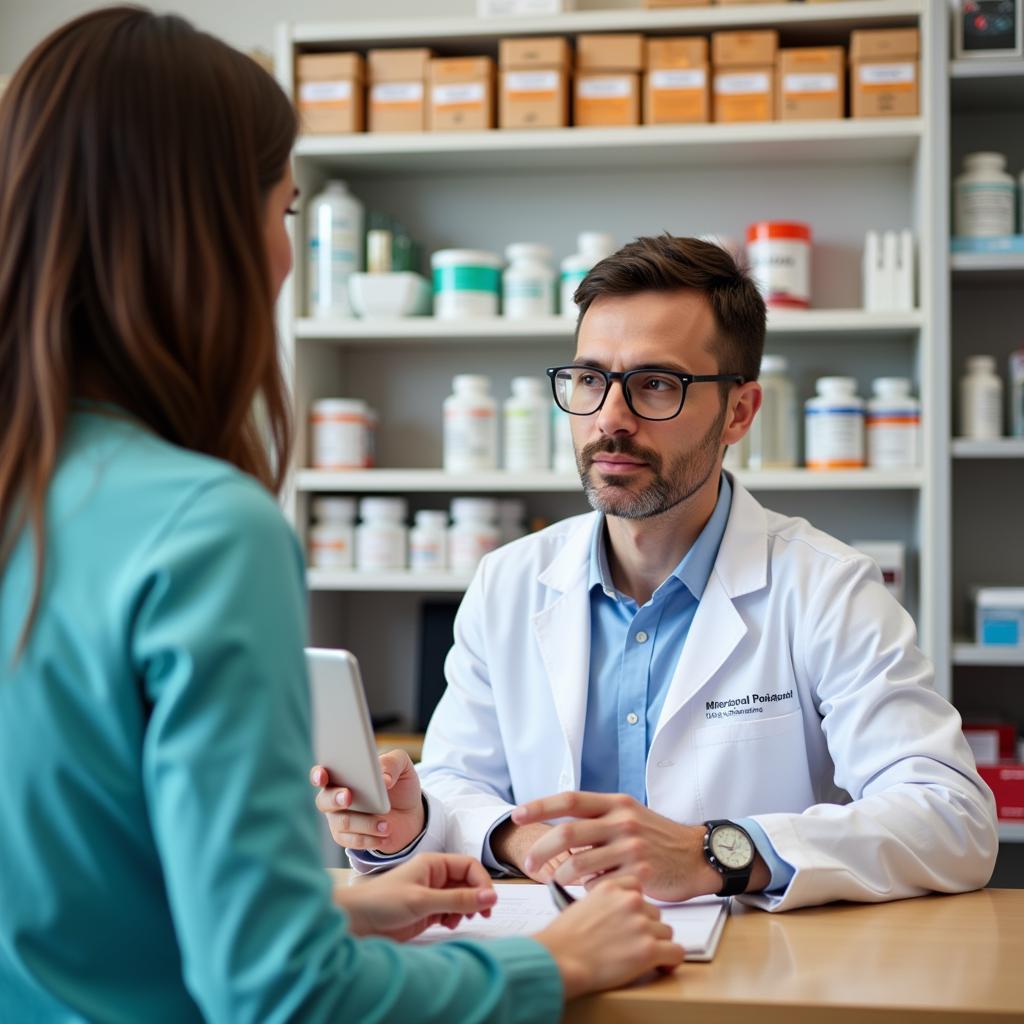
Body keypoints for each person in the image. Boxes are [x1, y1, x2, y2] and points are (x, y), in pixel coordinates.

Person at [0, 9, 685, 1022]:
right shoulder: (201, 529)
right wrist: (559, 962)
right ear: (205, 235)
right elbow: (282, 994)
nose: (285, 261)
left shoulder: (42, 493)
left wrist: (336, 903)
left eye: (658, 384)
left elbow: (72, 894)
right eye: (283, 214)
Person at [316, 233, 998, 912]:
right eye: (589, 379)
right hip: (556, 964)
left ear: (739, 411)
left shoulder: (827, 587)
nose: (610, 420)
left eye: (656, 385)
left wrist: (717, 851)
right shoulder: (509, 582)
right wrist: (433, 827)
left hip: (755, 978)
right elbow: (462, 785)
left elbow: (951, 819)